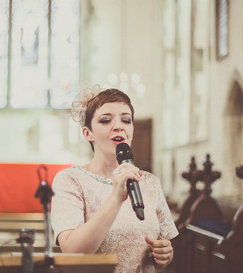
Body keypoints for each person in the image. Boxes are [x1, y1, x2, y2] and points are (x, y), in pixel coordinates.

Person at [51, 86, 178, 273]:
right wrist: (116, 198)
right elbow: (72, 251)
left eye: (126, 120)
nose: (118, 126)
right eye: (105, 120)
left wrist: (165, 254)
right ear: (88, 133)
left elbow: (165, 246)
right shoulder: (70, 180)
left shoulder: (150, 182)